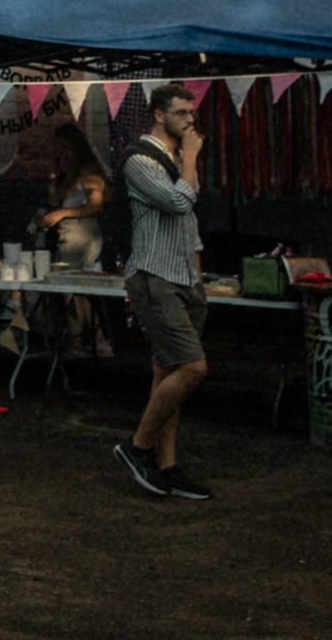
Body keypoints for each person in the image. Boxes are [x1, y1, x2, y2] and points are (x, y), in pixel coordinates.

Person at [114, 82, 213, 501]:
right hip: (153, 276)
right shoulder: (139, 159)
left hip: (183, 278)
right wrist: (190, 157)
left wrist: (198, 276)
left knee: (168, 374)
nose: (190, 120)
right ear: (158, 114)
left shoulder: (175, 157)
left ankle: (167, 467)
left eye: (192, 113)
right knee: (193, 368)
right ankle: (137, 448)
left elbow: (188, 224)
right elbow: (178, 202)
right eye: (180, 113)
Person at [32, 123, 112, 357]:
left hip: (81, 234)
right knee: (80, 291)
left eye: (64, 147)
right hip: (67, 233)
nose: (61, 151)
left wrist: (64, 213)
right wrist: (54, 176)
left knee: (69, 287)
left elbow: (96, 204)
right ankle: (98, 342)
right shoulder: (69, 173)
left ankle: (76, 343)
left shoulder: (89, 171)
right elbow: (55, 201)